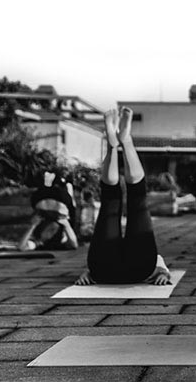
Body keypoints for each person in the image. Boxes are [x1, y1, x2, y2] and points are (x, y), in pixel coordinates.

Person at [75, 107, 171, 286]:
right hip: (107, 268)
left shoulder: (153, 260)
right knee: (110, 201)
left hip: (113, 269)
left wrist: (89, 272)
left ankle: (122, 142)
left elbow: (160, 264)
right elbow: (162, 267)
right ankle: (121, 142)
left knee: (137, 200)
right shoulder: (152, 263)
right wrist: (164, 274)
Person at [18, 171, 79, 251]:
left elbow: (21, 246)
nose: (49, 231)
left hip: (49, 208)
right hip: (56, 208)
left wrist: (32, 226)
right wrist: (66, 224)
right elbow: (74, 244)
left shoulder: (39, 240)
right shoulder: (58, 239)